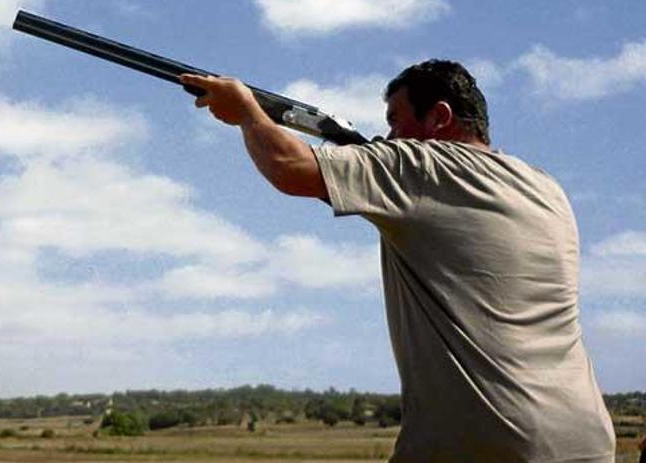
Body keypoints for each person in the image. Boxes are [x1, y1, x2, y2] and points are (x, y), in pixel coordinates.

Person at [180, 60, 616, 462]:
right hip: (586, 437)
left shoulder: (421, 165)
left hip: (490, 441)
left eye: (395, 121)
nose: (388, 138)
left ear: (439, 118)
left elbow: (288, 166)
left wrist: (246, 112)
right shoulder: (544, 187)